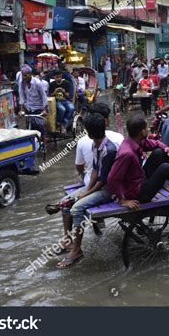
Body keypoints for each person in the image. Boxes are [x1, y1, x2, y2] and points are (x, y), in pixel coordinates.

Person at [107, 115, 169, 210]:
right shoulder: (127, 153)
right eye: (147, 128)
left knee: (159, 153)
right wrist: (122, 201)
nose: (148, 130)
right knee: (165, 168)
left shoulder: (136, 141)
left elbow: (156, 144)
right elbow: (112, 178)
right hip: (138, 194)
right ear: (142, 132)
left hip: (141, 178)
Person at [59, 103, 124, 252]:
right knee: (66, 202)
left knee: (75, 209)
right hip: (98, 184)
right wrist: (87, 190)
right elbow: (95, 169)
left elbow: (102, 180)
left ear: (88, 133)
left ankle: (76, 250)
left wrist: (85, 194)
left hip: (109, 188)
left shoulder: (108, 149)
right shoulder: (96, 145)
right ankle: (68, 241)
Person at [19, 65, 48, 144]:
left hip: (39, 107)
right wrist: (21, 109)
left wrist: (44, 110)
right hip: (29, 107)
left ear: (30, 74)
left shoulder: (38, 83)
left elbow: (44, 97)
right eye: (23, 75)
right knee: (29, 127)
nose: (24, 77)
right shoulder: (22, 84)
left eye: (26, 75)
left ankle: (44, 146)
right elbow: (22, 97)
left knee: (41, 127)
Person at [49, 69, 75, 134]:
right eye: (56, 77)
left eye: (60, 77)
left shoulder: (66, 83)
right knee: (62, 109)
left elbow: (69, 95)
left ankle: (64, 123)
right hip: (57, 101)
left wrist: (63, 91)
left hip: (65, 100)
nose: (58, 78)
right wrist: (55, 92)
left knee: (71, 108)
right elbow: (50, 95)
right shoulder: (52, 84)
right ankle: (58, 123)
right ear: (54, 77)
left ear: (61, 76)